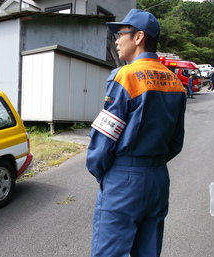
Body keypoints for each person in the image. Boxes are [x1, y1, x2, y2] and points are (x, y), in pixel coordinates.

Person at [86, 9, 186, 257]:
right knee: (149, 251)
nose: (117, 40)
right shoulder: (175, 81)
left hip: (124, 179)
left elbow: (105, 136)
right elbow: (176, 142)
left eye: (121, 34)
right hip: (158, 178)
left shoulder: (125, 76)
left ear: (139, 37)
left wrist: (103, 172)